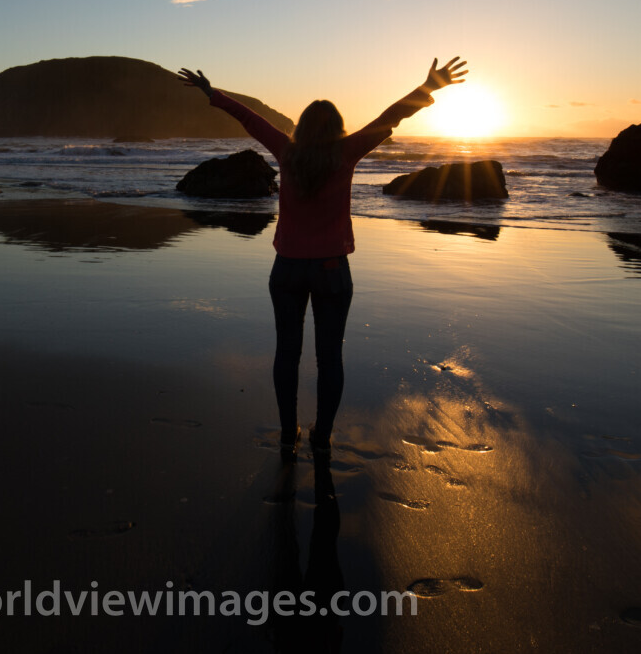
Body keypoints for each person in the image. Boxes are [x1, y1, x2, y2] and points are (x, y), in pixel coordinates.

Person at [176, 59, 469, 454]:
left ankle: (286, 431)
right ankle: (323, 435)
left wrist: (212, 93)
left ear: (302, 125)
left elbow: (249, 119)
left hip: (287, 270)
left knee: (287, 353)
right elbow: (390, 118)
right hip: (333, 271)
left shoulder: (285, 150)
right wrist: (428, 86)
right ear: (337, 128)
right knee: (330, 357)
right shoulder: (347, 151)